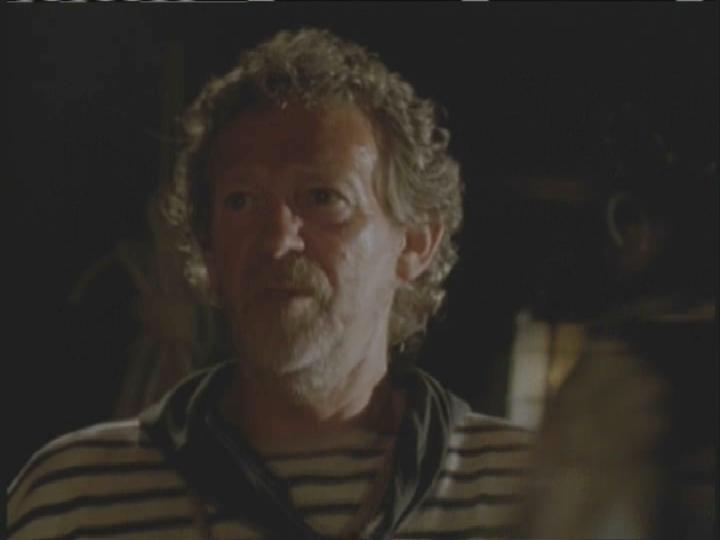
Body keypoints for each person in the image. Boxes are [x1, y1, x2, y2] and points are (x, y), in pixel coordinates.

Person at [7, 28, 533, 540]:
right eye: (241, 202)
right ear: (209, 250)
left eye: (323, 197)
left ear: (415, 243)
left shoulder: (528, 496)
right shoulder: (73, 498)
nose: (277, 240)